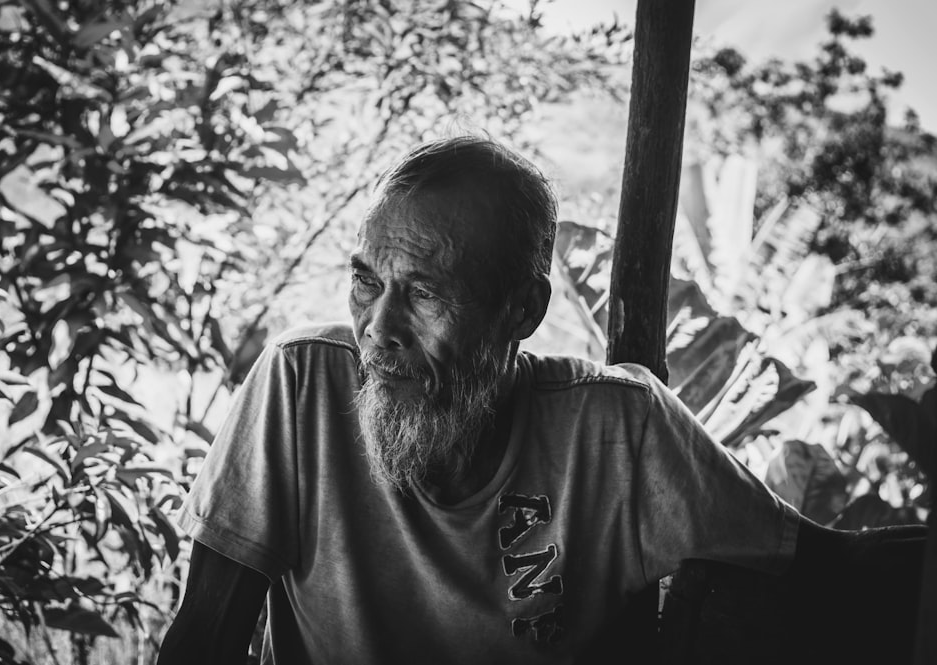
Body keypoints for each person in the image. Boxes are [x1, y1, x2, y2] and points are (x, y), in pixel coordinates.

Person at [156, 136, 923, 665]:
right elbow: (204, 638)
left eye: (424, 292)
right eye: (366, 282)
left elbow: (829, 564)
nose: (379, 330)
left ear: (520, 311)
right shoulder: (302, 385)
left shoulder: (615, 429)